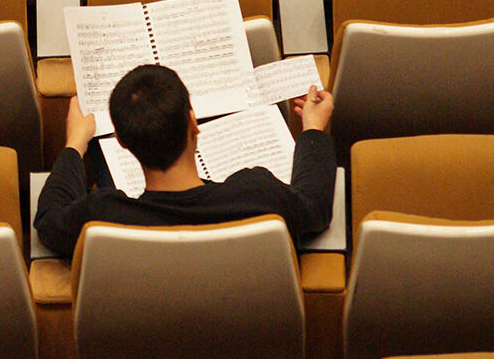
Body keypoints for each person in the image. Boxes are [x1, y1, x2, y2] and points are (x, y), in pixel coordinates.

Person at [34, 63, 336, 258]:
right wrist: (312, 128)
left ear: (121, 142)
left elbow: (48, 221)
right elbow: (315, 207)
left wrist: (75, 144)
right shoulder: (258, 195)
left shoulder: (103, 217)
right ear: (193, 123)